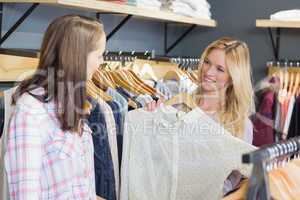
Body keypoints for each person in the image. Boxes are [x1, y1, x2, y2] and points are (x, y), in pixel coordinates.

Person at [4, 15, 106, 199]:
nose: (100, 64)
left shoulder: (72, 102)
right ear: (77, 56)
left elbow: (79, 185)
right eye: (98, 56)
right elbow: (26, 194)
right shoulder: (31, 112)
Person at [147, 37, 255, 143]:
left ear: (233, 77)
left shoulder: (240, 127)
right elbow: (157, 151)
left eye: (220, 69)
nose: (208, 72)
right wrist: (151, 121)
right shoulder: (178, 105)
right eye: (207, 62)